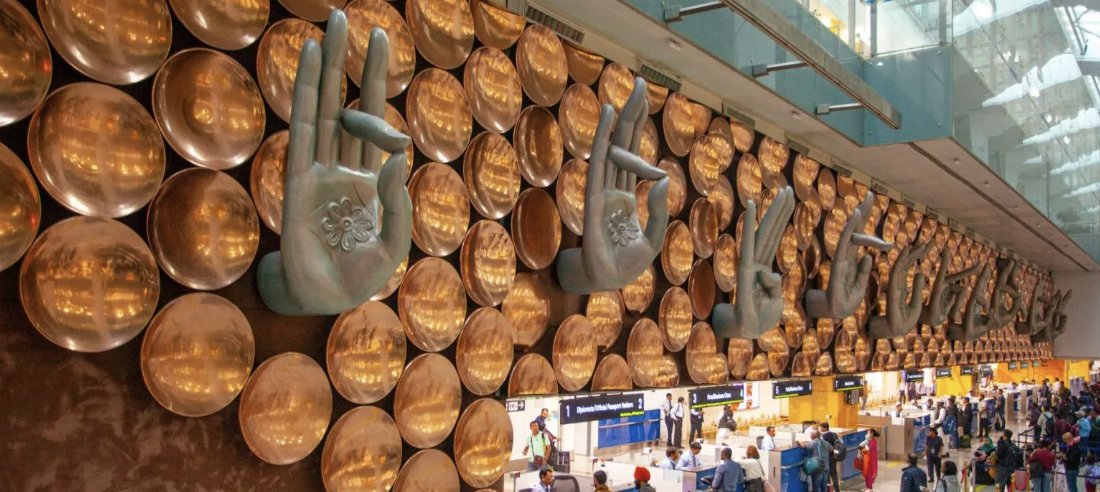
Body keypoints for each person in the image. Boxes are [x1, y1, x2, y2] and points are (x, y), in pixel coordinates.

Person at [821, 422, 842, 492]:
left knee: (827, 474)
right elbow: (841, 442)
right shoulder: (834, 434)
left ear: (825, 428)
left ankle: (829, 490)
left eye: (821, 427)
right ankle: (837, 489)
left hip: (827, 457)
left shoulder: (824, 437)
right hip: (834, 456)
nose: (820, 429)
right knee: (834, 474)